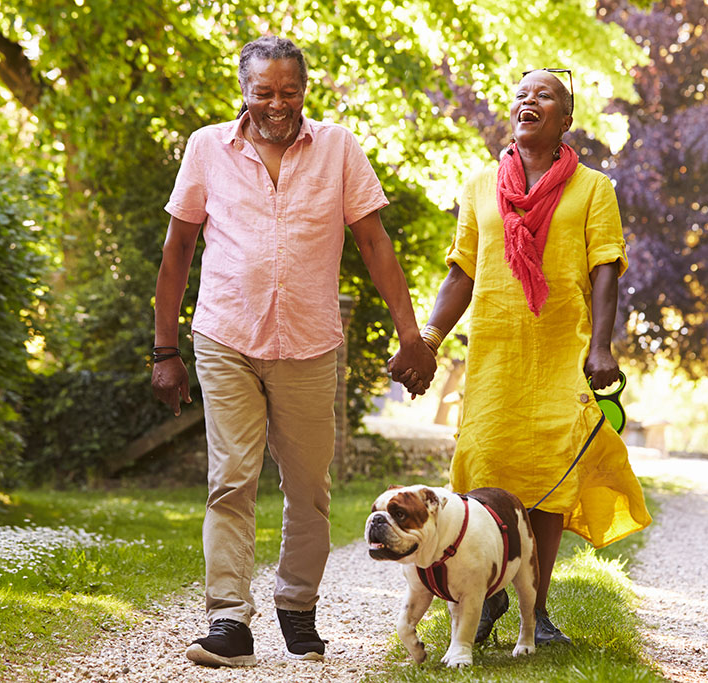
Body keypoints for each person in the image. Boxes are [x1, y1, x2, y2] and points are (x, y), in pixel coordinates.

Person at [151, 35, 436, 668]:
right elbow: (177, 252)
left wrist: (410, 334)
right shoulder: (206, 148)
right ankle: (228, 620)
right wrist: (163, 349)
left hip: (308, 343)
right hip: (225, 336)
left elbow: (373, 242)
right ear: (243, 93)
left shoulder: (338, 148)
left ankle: (296, 606)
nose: (277, 104)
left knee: (308, 488)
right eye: (264, 93)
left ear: (304, 90)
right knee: (231, 481)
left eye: (289, 91)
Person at [391, 68, 652, 645]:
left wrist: (602, 346)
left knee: (547, 483)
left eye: (546, 95)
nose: (528, 101)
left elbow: (605, 267)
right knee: (484, 469)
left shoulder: (593, 189)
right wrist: (428, 339)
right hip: (495, 355)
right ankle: (484, 597)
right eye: (521, 94)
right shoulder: (482, 184)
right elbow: (463, 269)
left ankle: (539, 609)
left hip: (562, 351)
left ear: (566, 120)